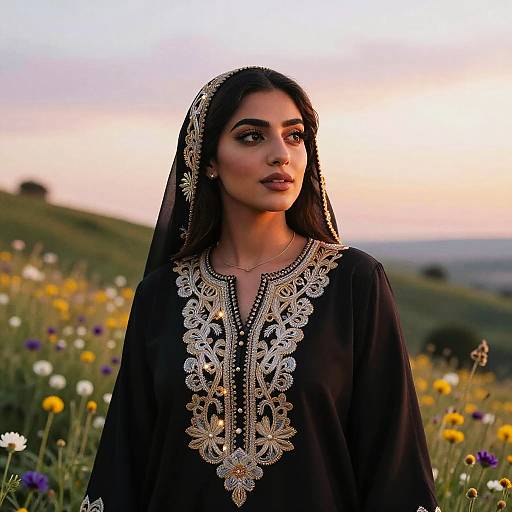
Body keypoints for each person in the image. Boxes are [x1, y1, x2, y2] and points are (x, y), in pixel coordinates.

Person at [80, 66, 441, 511]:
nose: (281, 155)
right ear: (207, 160)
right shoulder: (161, 295)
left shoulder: (354, 283)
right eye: (252, 136)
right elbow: (125, 460)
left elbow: (394, 461)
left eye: (294, 136)